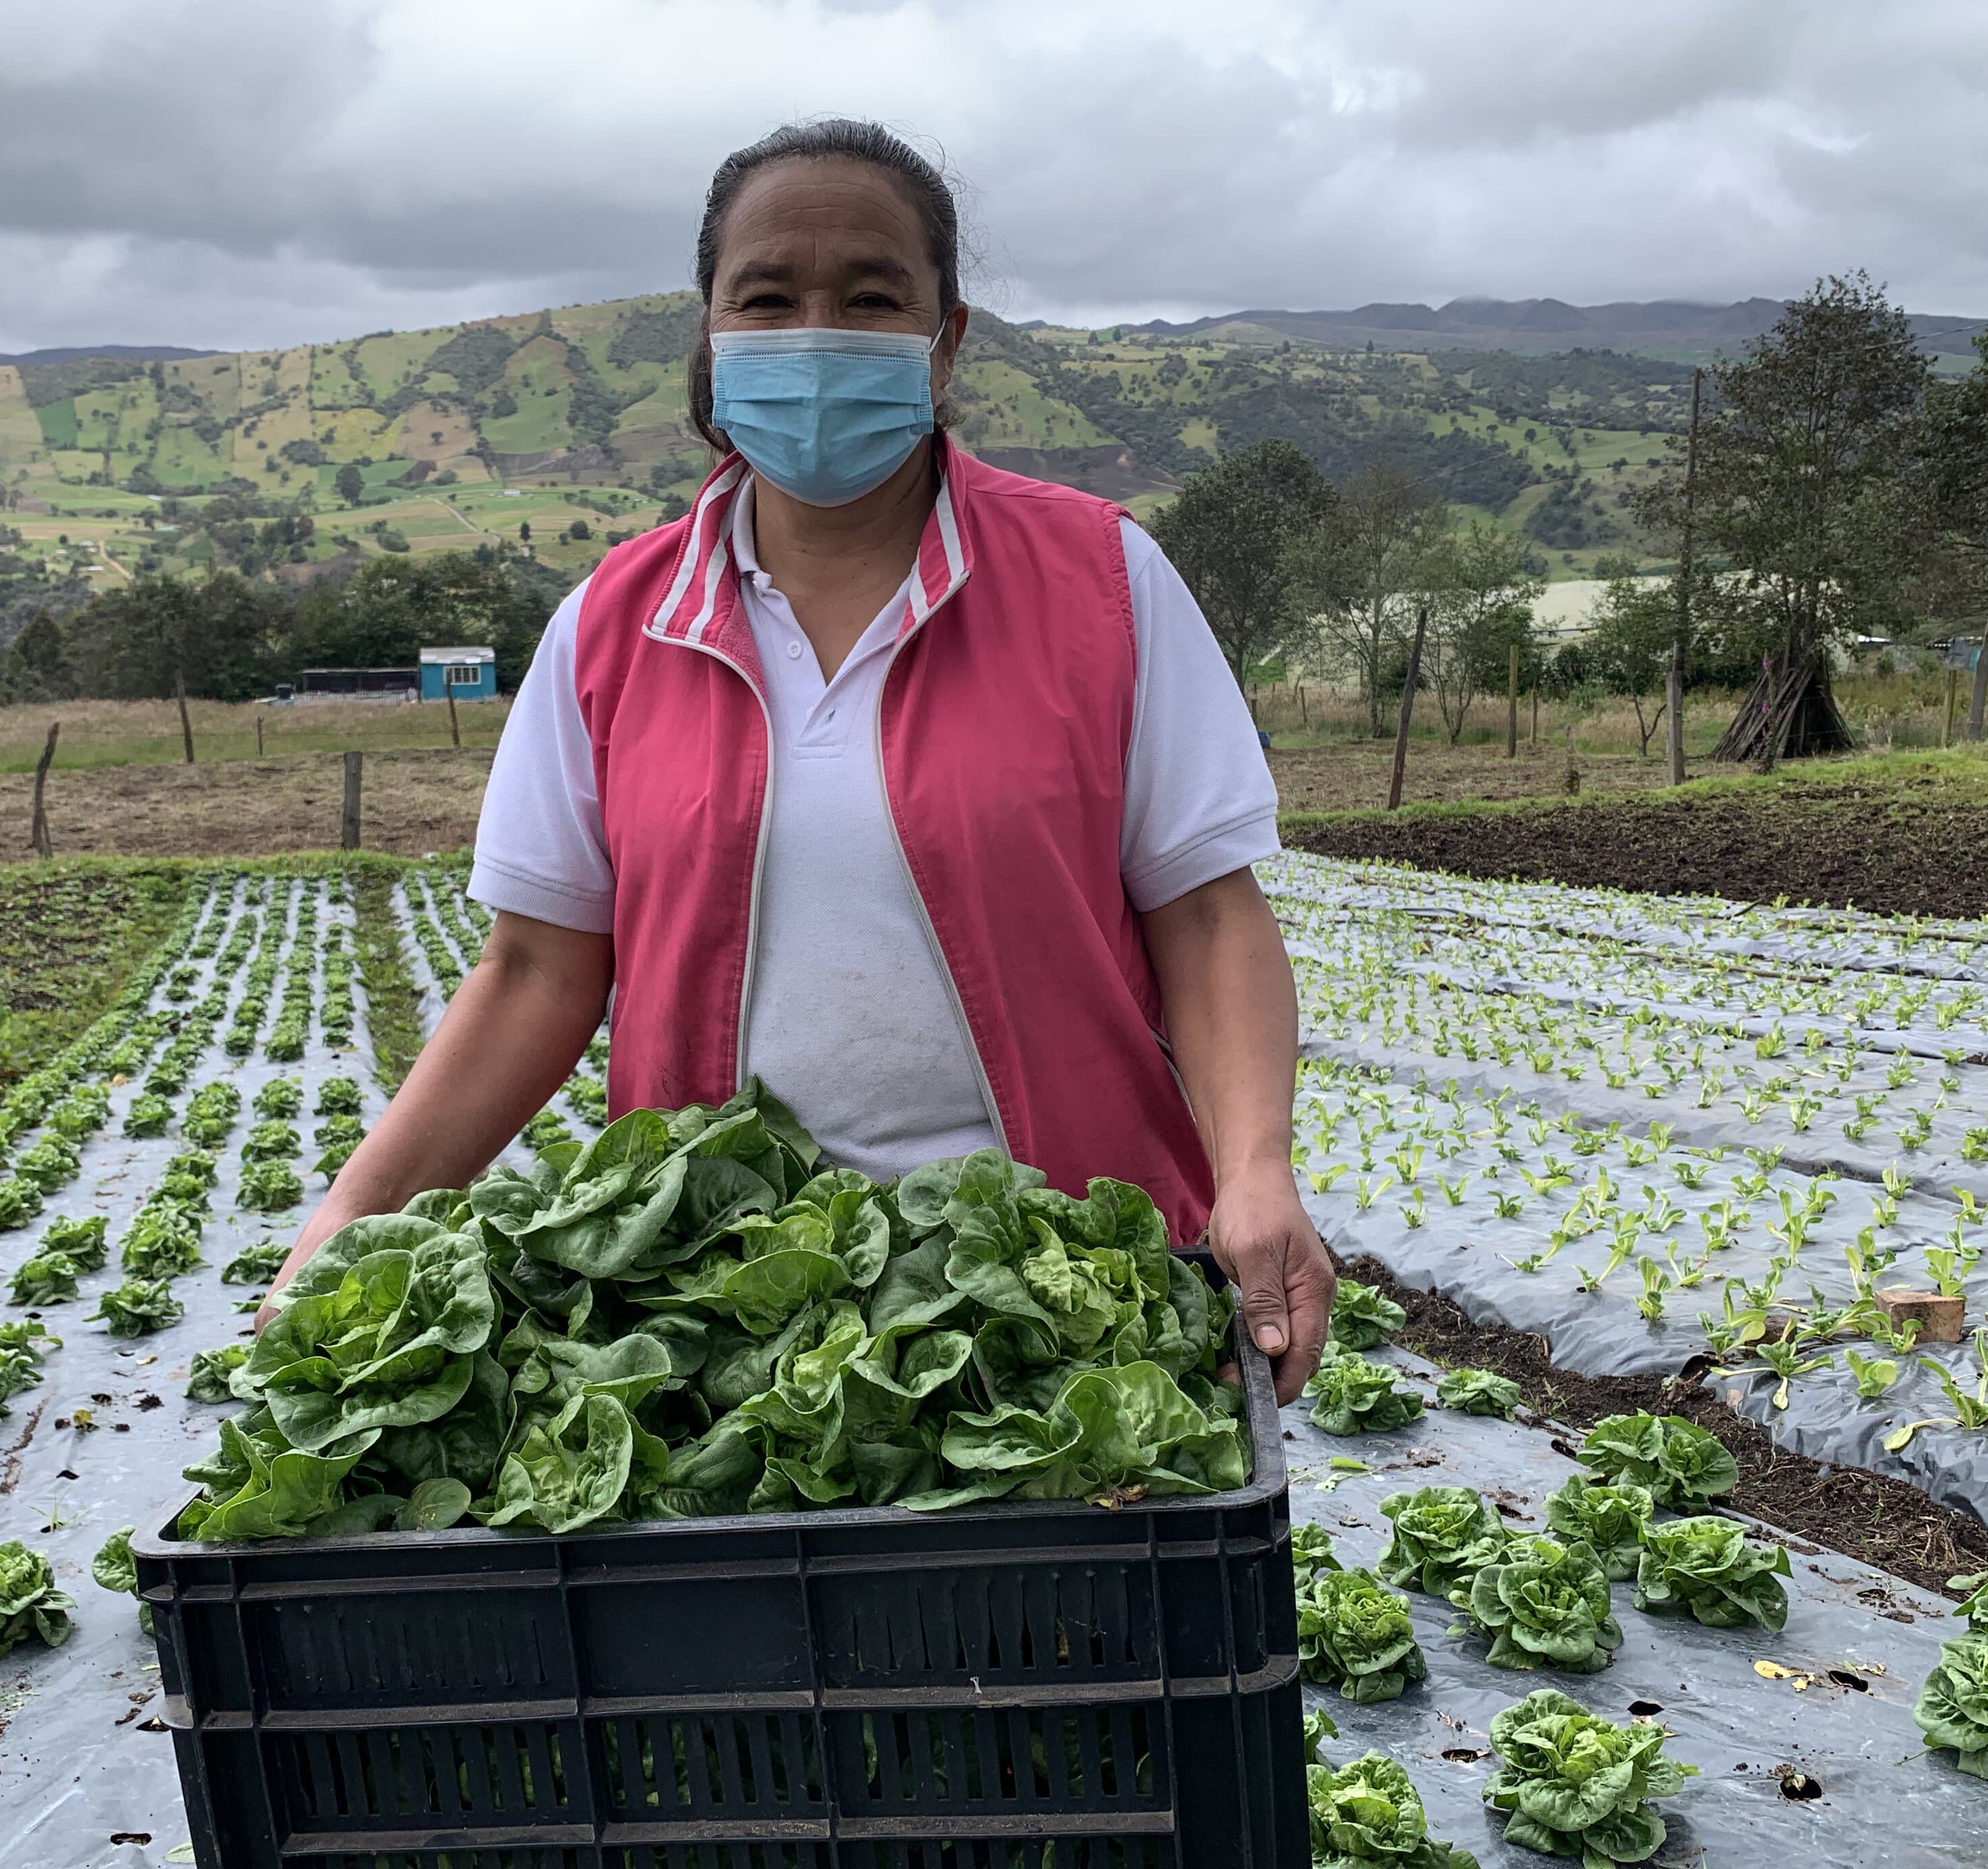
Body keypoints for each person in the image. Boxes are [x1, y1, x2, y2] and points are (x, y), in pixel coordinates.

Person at [261, 119, 1334, 1399]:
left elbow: (1209, 918)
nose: (816, 329)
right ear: (711, 338)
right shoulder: (616, 619)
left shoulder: (1104, 582)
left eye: (872, 296)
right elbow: (540, 969)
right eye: (768, 297)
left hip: (1066, 1285)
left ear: (947, 341)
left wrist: (1257, 1172)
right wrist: (352, 1220)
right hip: (724, 1307)